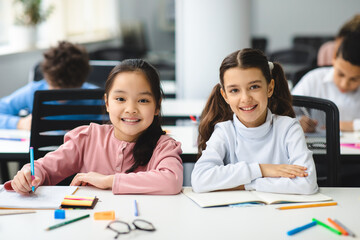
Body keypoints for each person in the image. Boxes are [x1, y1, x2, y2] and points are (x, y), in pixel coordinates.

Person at [4, 59, 183, 195]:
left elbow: (171, 181)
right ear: (106, 103)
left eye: (143, 100)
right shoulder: (87, 138)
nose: (131, 109)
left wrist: (108, 181)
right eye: (120, 99)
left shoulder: (164, 146)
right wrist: (28, 173)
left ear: (157, 106)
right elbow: (46, 168)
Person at [191, 48, 318, 194]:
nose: (245, 98)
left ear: (270, 88)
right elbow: (199, 180)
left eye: (254, 87)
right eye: (234, 90)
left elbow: (307, 184)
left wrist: (247, 184)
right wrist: (262, 169)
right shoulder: (224, 132)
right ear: (225, 95)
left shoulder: (289, 128)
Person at [0, 41, 97, 130]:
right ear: (47, 78)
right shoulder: (33, 91)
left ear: (82, 81)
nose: (61, 98)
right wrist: (20, 123)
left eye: (68, 91)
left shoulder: (96, 97)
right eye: (55, 88)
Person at [293, 32, 360, 132]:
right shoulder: (314, 79)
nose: (344, 84)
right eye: (340, 74)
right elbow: (283, 111)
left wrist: (351, 125)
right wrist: (298, 122)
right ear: (334, 58)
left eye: (354, 79)